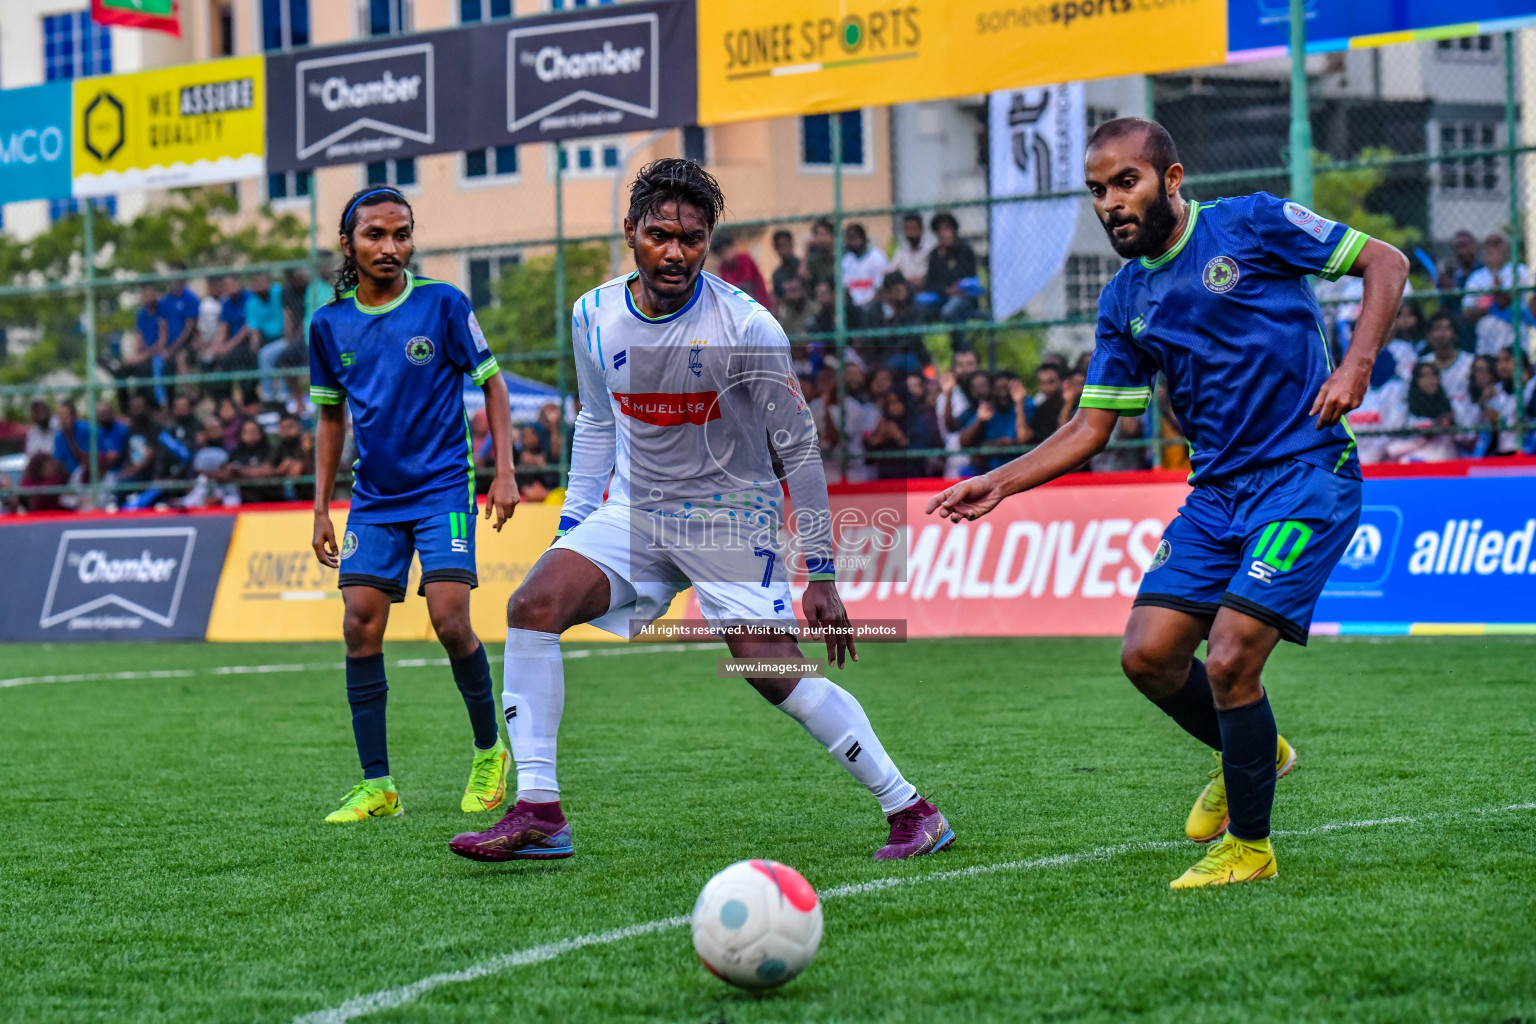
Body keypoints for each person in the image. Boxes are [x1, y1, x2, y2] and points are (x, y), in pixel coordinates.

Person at [926, 117, 1409, 887]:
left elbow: (1386, 260)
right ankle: (1253, 750)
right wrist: (999, 481)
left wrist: (1355, 366)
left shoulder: (1250, 225)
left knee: (1229, 658)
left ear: (1172, 180)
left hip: (1306, 475)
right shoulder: (1123, 298)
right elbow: (1092, 426)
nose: (1112, 202)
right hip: (1217, 495)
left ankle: (1250, 848)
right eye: (1097, 191)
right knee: (1148, 655)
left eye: (1127, 182)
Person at [449, 159, 951, 863]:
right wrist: (573, 530)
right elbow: (596, 420)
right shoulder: (592, 315)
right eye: (660, 235)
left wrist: (824, 573)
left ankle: (911, 809)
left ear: (709, 238)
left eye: (693, 236)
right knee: (532, 604)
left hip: (730, 520)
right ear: (631, 233)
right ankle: (539, 810)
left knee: (770, 670)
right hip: (635, 512)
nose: (676, 251)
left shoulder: (748, 328)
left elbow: (799, 453)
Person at [308, 186, 520, 824]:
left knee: (451, 619)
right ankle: (379, 787)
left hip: (442, 490)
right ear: (349, 244)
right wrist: (321, 507)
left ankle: (490, 752)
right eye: (375, 235)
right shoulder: (328, 324)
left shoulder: (444, 304)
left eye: (401, 234)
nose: (390, 247)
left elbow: (495, 388)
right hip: (372, 499)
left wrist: (504, 473)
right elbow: (328, 419)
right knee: (358, 624)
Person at [924, 212, 979, 324]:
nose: (943, 234)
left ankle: (959, 342)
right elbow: (930, 283)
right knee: (920, 309)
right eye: (940, 230)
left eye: (947, 229)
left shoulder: (964, 250)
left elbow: (966, 277)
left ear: (954, 231)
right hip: (942, 297)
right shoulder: (935, 254)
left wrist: (955, 287)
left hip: (964, 297)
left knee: (949, 311)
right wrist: (945, 290)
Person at [840, 222, 889, 324]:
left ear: (863, 238)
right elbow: (845, 289)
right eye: (848, 239)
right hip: (854, 307)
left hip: (874, 305)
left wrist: (866, 307)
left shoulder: (877, 257)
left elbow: (881, 289)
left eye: (854, 238)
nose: (850, 242)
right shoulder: (846, 260)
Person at [710, 233, 770, 308]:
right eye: (722, 252)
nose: (726, 254)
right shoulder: (722, 267)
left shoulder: (744, 258)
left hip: (759, 302)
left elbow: (752, 282)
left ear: (732, 247)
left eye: (727, 249)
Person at [891, 212, 933, 291]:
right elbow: (893, 274)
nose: (910, 232)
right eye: (907, 228)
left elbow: (925, 279)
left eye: (913, 228)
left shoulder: (930, 250)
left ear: (921, 229)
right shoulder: (901, 251)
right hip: (904, 292)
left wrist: (905, 281)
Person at [769, 228, 802, 302]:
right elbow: (777, 297)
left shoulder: (801, 266)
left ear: (791, 245)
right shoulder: (777, 274)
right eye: (780, 246)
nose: (783, 249)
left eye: (785, 245)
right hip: (787, 309)